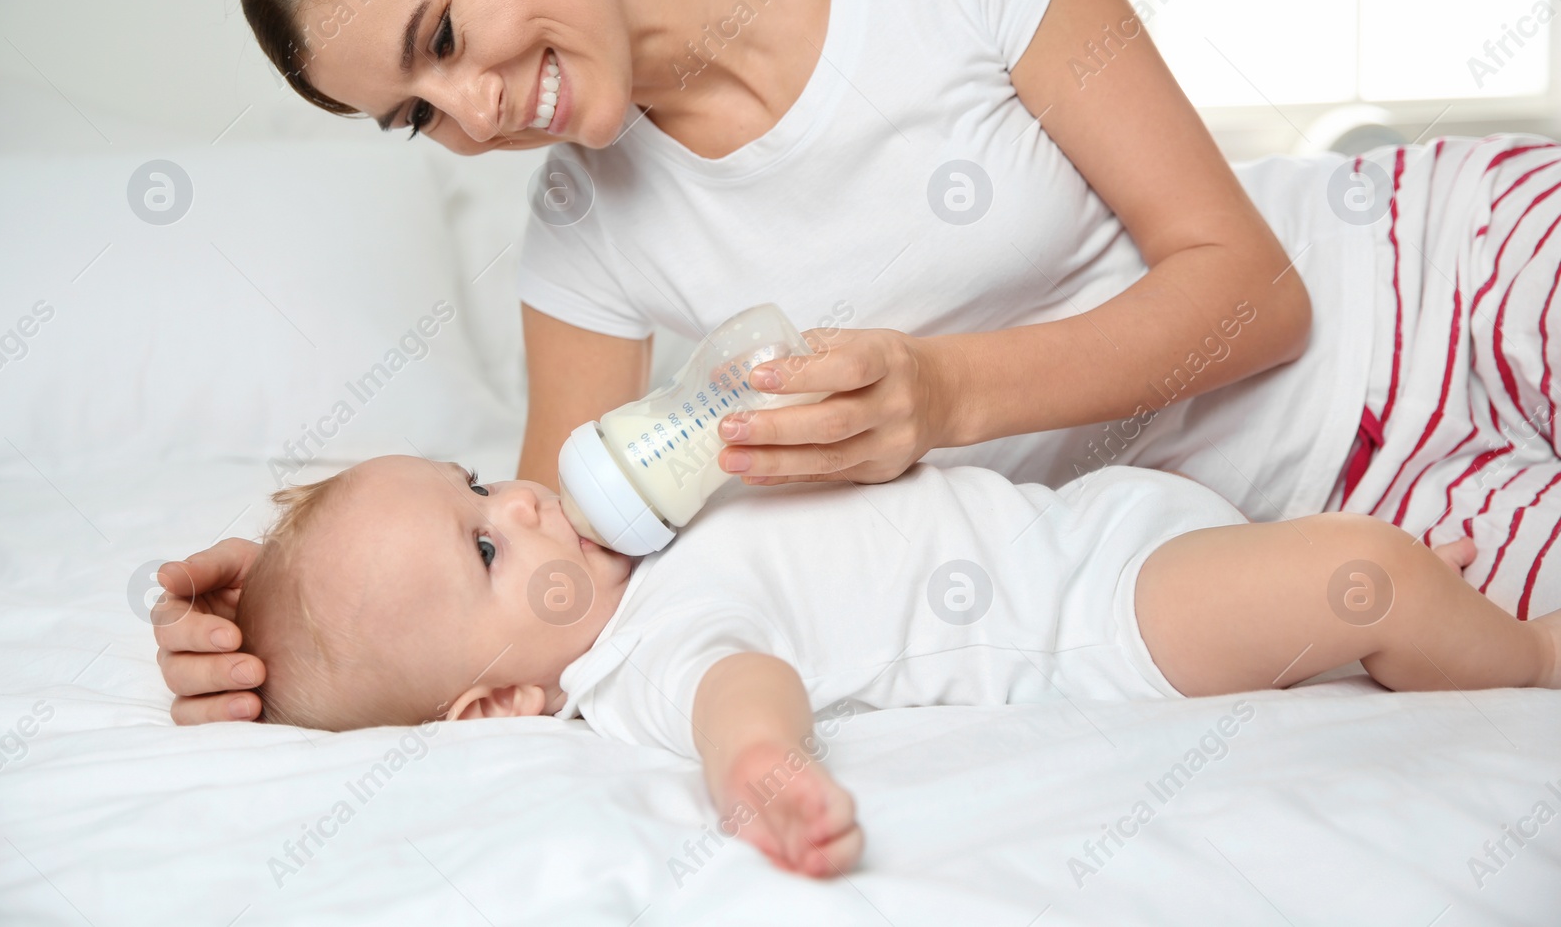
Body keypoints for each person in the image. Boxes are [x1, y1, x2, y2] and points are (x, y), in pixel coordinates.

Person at [155, 0, 1561, 723]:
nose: (470, 112)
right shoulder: (585, 239)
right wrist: (268, 634)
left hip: (1433, 264)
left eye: (443, 34)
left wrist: (945, 395)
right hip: (1381, 515)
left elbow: (1258, 294)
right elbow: (553, 589)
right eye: (416, 112)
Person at [218, 455, 1560, 878]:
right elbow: (739, 687)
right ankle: (1519, 658)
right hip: (1094, 615)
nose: (518, 498)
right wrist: (760, 767)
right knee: (1363, 572)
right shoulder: (641, 652)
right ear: (506, 702)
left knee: (1348, 566)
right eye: (484, 547)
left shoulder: (635, 540)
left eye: (476, 480)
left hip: (1086, 523)